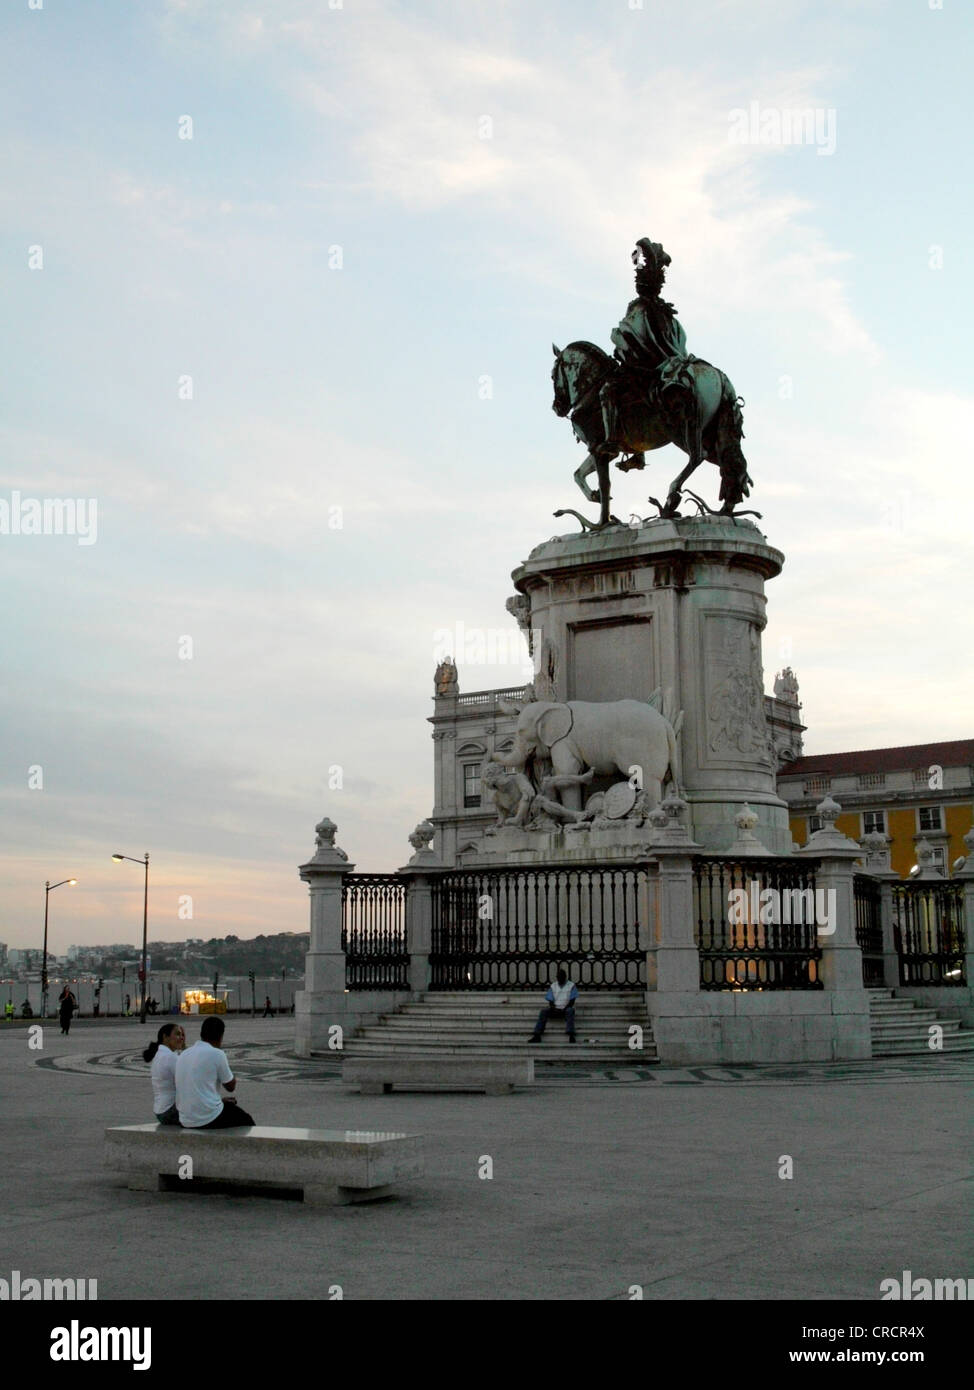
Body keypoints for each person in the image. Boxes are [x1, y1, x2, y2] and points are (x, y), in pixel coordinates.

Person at [176, 1016, 255, 1129]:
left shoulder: (184, 1054)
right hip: (207, 1118)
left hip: (185, 1119)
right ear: (221, 1036)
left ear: (201, 1033)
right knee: (247, 1121)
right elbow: (230, 1086)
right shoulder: (216, 1053)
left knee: (227, 1109)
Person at [142, 1022, 185, 1125]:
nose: (181, 1038)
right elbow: (187, 1083)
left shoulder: (160, 1054)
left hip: (160, 1111)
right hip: (170, 1112)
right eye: (177, 1034)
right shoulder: (170, 1057)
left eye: (182, 1035)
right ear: (165, 1037)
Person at [529, 968, 578, 1044]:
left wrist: (564, 1009)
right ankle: (537, 1035)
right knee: (543, 1011)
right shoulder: (553, 986)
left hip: (566, 1009)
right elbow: (550, 1000)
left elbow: (572, 1001)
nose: (559, 978)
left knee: (570, 1010)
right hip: (555, 1009)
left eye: (561, 977)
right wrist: (554, 1008)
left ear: (565, 977)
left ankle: (571, 1035)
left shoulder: (571, 985)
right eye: (558, 977)